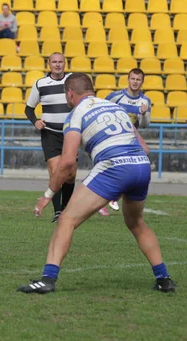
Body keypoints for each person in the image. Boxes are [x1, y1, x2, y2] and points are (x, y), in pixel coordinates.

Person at [18, 73, 175, 294]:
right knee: (136, 223)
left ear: (70, 93)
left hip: (114, 166)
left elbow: (67, 163)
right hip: (140, 165)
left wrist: (47, 195)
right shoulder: (116, 107)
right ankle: (164, 279)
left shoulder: (76, 114)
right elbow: (145, 148)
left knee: (66, 219)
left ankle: (47, 280)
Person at [25, 53, 78, 223]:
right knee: (56, 171)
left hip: (71, 134)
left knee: (70, 175)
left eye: (60, 62)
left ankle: (66, 208)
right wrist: (36, 121)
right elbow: (28, 109)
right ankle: (57, 212)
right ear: (49, 64)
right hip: (50, 133)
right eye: (54, 62)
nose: (57, 65)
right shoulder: (40, 84)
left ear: (65, 63)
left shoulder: (73, 81)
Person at [104, 68, 152, 212]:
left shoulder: (145, 101)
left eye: (138, 79)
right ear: (128, 79)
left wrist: (143, 114)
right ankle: (109, 197)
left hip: (132, 137)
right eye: (133, 78)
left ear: (142, 82)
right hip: (116, 138)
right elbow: (102, 110)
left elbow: (145, 125)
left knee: (143, 155)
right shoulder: (115, 97)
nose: (135, 82)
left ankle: (112, 197)